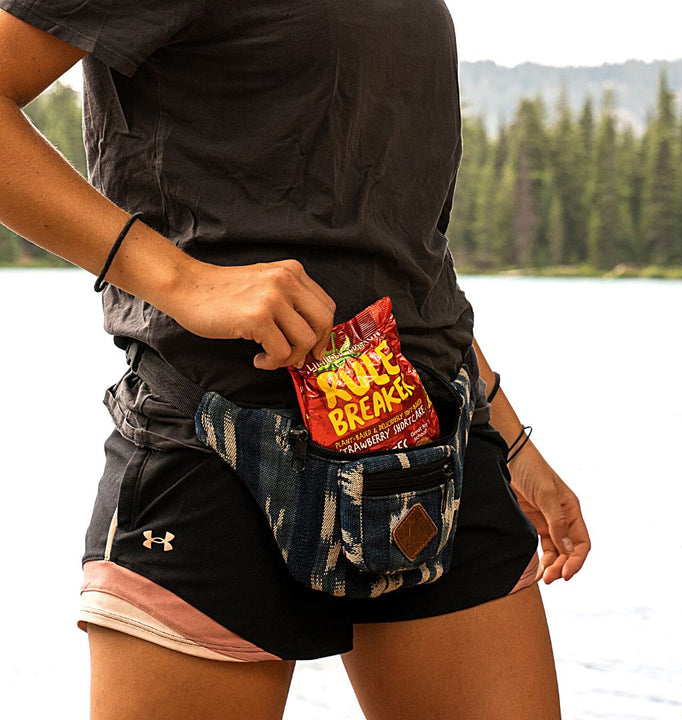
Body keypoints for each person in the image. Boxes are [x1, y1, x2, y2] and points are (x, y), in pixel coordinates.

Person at [0, 2, 590, 718]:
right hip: (216, 444)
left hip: (431, 452)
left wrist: (511, 437)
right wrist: (180, 281)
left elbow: (399, 254)